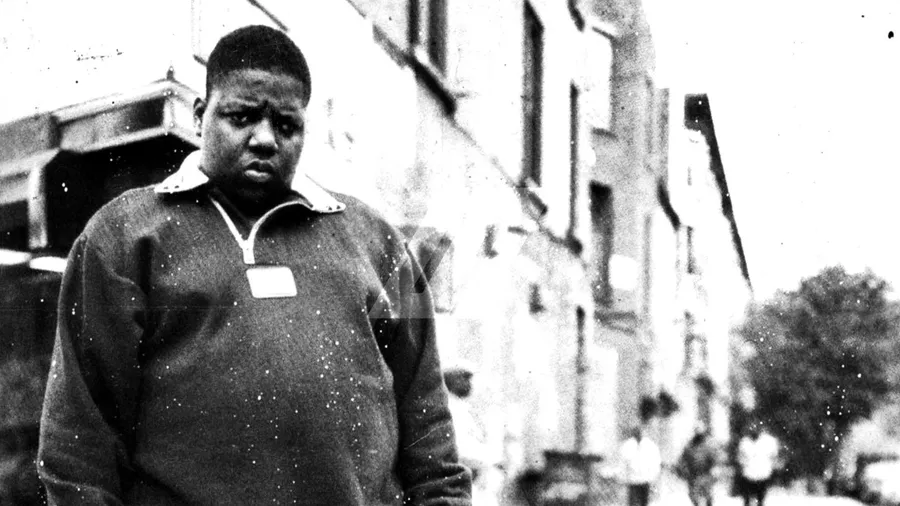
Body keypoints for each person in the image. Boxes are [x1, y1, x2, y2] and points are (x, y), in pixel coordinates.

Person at [36, 25, 471, 505]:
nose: (264, 139)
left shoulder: (375, 239)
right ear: (200, 116)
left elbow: (430, 434)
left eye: (286, 125)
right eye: (241, 117)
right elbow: (79, 448)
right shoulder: (123, 236)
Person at [736, 425, 779, 506]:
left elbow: (774, 456)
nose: (754, 430)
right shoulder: (745, 442)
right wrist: (743, 465)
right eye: (752, 428)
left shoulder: (768, 441)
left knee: (760, 499)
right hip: (748, 475)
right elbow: (740, 457)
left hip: (762, 475)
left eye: (756, 428)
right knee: (747, 500)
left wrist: (771, 467)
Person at [619, 426, 661, 506]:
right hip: (633, 480)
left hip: (646, 480)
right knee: (633, 502)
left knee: (644, 502)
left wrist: (654, 477)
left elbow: (656, 461)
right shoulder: (627, 445)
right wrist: (623, 478)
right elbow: (623, 463)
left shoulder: (650, 445)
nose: (638, 433)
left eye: (639, 432)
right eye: (636, 431)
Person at [676, 430, 719, 506]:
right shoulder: (689, 448)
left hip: (704, 476)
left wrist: (713, 471)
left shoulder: (706, 448)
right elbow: (682, 462)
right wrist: (685, 473)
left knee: (707, 496)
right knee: (696, 497)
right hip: (694, 477)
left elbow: (713, 461)